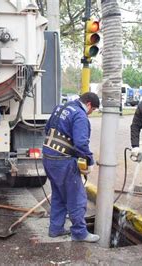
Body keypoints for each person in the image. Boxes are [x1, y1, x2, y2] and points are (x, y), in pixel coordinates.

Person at [42, 92, 100, 242]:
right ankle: (80, 233)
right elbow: (81, 143)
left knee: (59, 196)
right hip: (64, 162)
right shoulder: (80, 115)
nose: (91, 113)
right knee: (76, 198)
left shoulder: (60, 107)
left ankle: (55, 229)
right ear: (88, 105)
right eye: (92, 110)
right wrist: (89, 161)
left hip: (48, 158)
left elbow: (47, 128)